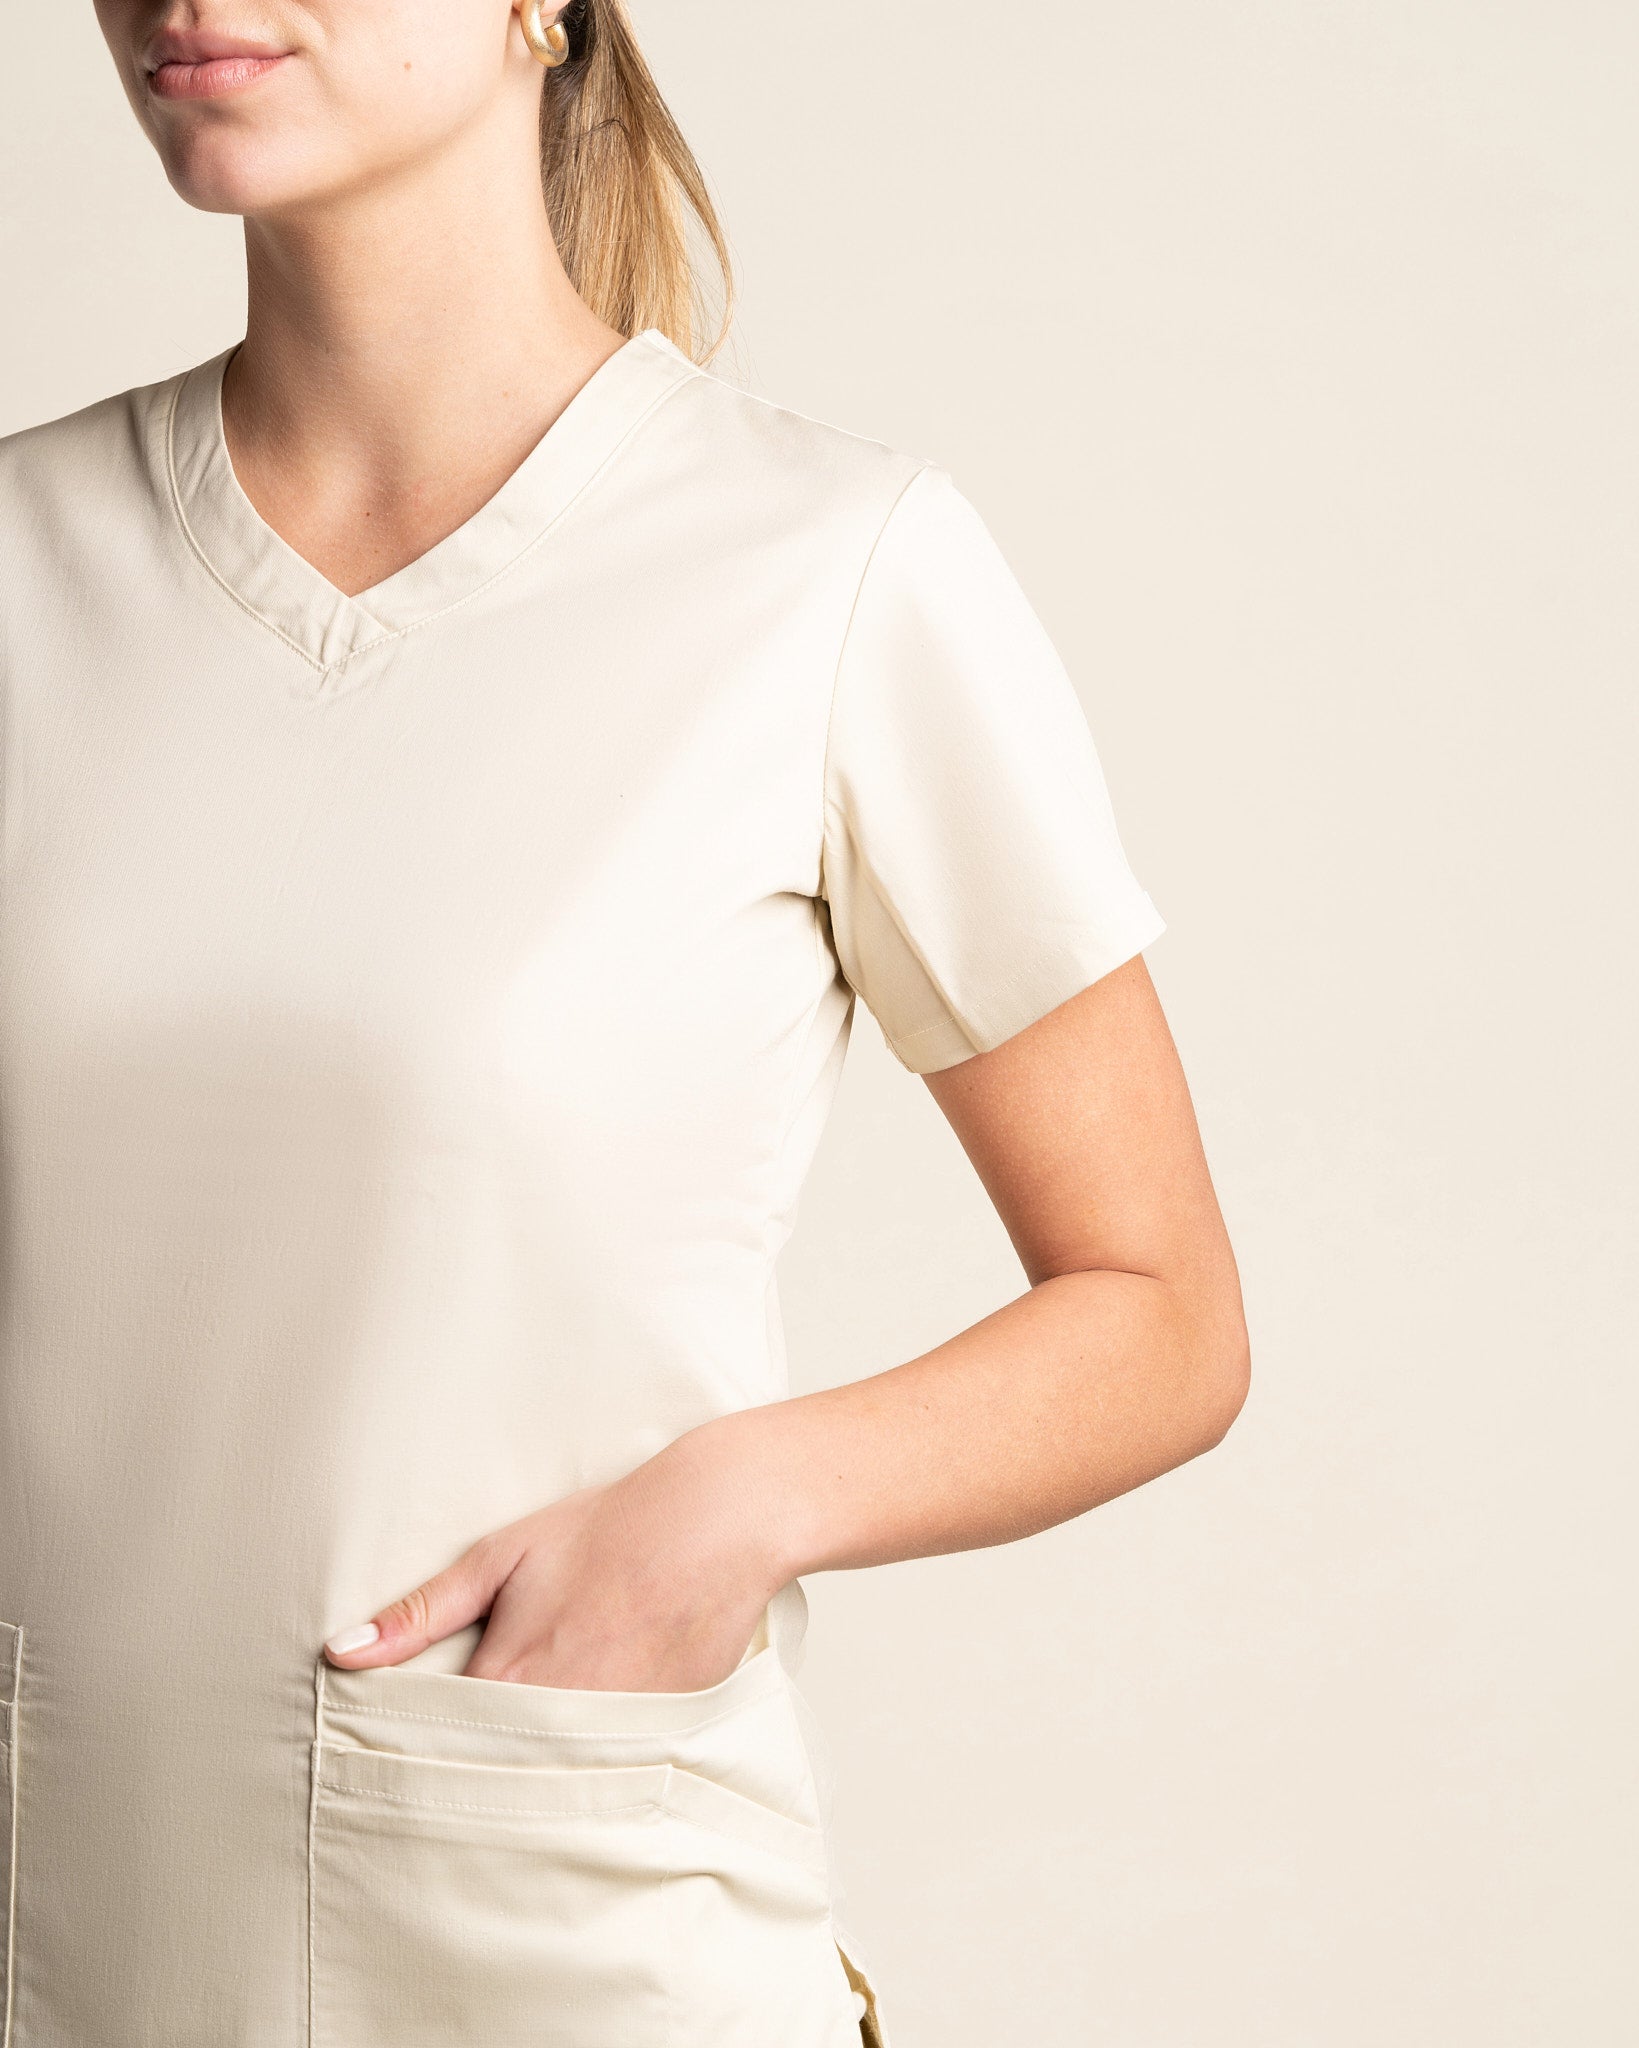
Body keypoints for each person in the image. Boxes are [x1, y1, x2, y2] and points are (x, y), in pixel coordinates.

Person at [0, 3, 1251, 2043]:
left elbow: (1162, 1309)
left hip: (569, 1955)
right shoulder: (20, 567)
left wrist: (743, 1501)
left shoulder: (825, 575)